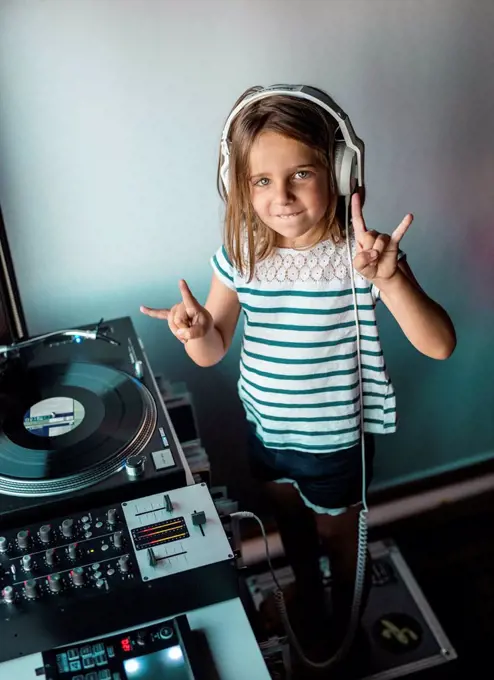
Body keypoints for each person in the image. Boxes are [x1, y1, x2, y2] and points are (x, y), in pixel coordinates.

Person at [141, 86, 456, 660]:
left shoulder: (362, 256)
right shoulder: (240, 253)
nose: (280, 196)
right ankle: (308, 596)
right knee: (291, 527)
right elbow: (214, 351)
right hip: (268, 433)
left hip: (335, 445)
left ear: (338, 172)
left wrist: (391, 279)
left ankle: (344, 614)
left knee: (339, 539)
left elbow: (439, 346)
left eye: (301, 173)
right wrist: (196, 334)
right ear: (237, 183)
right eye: (261, 180)